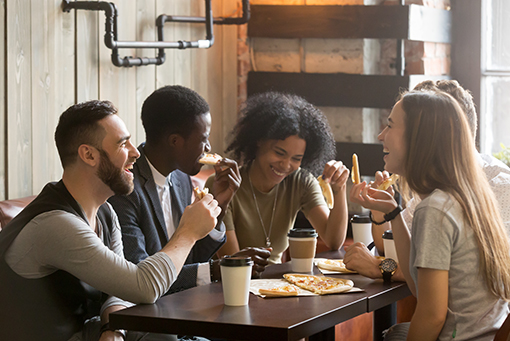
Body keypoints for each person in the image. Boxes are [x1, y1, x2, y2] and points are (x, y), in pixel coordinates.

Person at [0, 100, 220, 341]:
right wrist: (188, 232)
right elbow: (143, 287)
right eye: (122, 143)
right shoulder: (55, 224)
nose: (136, 152)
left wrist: (112, 329)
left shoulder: (105, 211)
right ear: (89, 154)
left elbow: (117, 290)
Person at [350, 89, 510, 340]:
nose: (381, 135)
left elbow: (431, 316)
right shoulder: (469, 197)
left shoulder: (436, 209)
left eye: (390, 126)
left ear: (419, 139)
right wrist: (393, 213)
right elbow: (418, 288)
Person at [108, 85, 271, 292]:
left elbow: (190, 258)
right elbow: (141, 276)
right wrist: (216, 270)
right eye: (204, 139)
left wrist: (219, 204)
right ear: (175, 141)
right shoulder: (125, 189)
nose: (209, 148)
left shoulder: (181, 177)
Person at [207, 92, 350, 264]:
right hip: (234, 282)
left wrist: (339, 189)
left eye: (296, 159)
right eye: (279, 153)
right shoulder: (224, 185)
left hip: (278, 283)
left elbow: (333, 241)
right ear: (259, 141)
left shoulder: (301, 182)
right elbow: (233, 263)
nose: (286, 165)